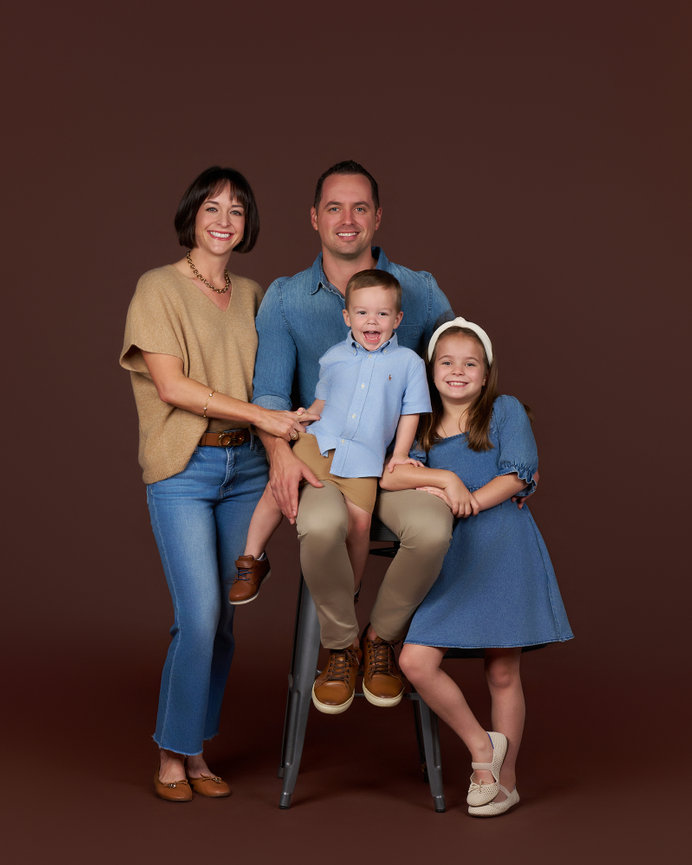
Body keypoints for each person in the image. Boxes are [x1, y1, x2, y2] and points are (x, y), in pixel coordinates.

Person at [119, 166, 314, 802]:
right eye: (211, 207)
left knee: (226, 620)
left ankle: (194, 749)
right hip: (184, 470)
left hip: (246, 471)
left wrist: (288, 435)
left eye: (236, 209)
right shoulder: (158, 288)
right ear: (191, 216)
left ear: (247, 224)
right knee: (197, 615)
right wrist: (264, 416)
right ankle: (171, 756)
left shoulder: (257, 295)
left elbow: (273, 383)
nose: (223, 219)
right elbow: (173, 388)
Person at [252, 160, 455, 715]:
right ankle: (339, 647)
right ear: (314, 218)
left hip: (396, 463)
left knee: (435, 530)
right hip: (324, 461)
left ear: (378, 217)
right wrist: (281, 457)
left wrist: (470, 467)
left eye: (360, 207)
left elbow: (459, 376)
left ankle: (381, 640)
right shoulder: (286, 298)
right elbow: (269, 395)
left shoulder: (419, 289)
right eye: (335, 208)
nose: (348, 220)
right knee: (321, 524)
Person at [380, 317, 573, 817]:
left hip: (501, 547)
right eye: (447, 362)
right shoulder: (418, 421)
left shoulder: (504, 411)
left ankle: (503, 784)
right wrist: (444, 480)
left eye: (471, 364)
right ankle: (483, 751)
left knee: (503, 670)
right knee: (415, 661)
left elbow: (519, 472)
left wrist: (462, 499)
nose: (458, 372)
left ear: (486, 375)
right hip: (449, 554)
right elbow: (393, 477)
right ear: (431, 369)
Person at [229, 271, 430, 663]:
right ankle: (252, 559)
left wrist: (401, 453)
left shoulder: (409, 363)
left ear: (398, 320)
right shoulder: (334, 357)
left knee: (358, 526)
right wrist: (307, 415)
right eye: (362, 313)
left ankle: (349, 591)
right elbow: (323, 400)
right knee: (277, 486)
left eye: (382, 314)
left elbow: (411, 412)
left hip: (365, 461)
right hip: (319, 442)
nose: (372, 321)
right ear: (346, 317)